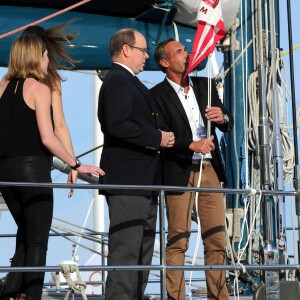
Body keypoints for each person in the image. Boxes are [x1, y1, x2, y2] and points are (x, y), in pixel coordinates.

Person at [0, 34, 105, 300]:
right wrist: (76, 163)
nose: (50, 60)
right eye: (47, 55)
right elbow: (49, 137)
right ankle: (31, 294)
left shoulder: (2, 86)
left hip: (5, 174)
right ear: (37, 56)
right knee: (37, 241)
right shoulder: (39, 88)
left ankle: (13, 292)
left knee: (25, 232)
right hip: (33, 171)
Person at [150, 38, 233, 300]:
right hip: (179, 169)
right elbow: (161, 135)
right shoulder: (155, 95)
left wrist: (224, 117)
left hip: (209, 169)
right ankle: (176, 297)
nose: (187, 54)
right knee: (178, 237)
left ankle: (218, 296)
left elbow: (226, 121)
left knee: (216, 238)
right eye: (179, 51)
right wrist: (191, 145)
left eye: (186, 50)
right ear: (165, 62)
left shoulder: (205, 84)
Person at [97, 28, 175, 300]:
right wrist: (157, 137)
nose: (146, 57)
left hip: (142, 182)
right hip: (128, 182)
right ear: (126, 49)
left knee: (142, 253)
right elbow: (116, 124)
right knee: (128, 253)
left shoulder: (127, 81)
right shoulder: (119, 80)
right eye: (142, 51)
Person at [21, 22, 79, 198]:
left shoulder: (8, 83)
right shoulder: (50, 81)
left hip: (8, 163)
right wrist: (73, 163)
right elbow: (59, 125)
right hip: (37, 163)